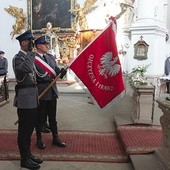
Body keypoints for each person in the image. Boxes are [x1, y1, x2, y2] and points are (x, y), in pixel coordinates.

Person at [12, 30, 43, 169]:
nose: (32, 45)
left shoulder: (29, 56)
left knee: (30, 129)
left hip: (33, 97)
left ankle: (28, 154)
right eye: (30, 42)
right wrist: (31, 53)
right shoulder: (17, 58)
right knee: (24, 130)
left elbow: (36, 73)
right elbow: (27, 68)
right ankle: (24, 159)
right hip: (25, 99)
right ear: (23, 42)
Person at [34, 35, 67, 149]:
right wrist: (46, 79)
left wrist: (62, 72)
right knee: (40, 118)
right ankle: (39, 139)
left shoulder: (51, 57)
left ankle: (56, 138)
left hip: (52, 91)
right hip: (41, 91)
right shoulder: (33, 59)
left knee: (53, 118)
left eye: (47, 44)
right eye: (44, 44)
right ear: (38, 46)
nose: (47, 46)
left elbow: (56, 71)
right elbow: (33, 76)